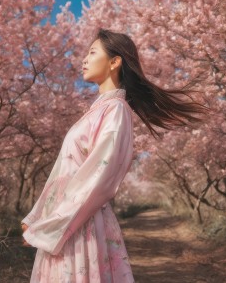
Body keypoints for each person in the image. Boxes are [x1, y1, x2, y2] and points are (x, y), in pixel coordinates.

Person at [20, 28, 208, 282]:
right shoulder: (98, 110)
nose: (84, 59)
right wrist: (38, 216)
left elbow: (98, 178)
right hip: (65, 223)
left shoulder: (116, 110)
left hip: (79, 224)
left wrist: (49, 225)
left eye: (92, 52)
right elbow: (61, 174)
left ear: (115, 61)